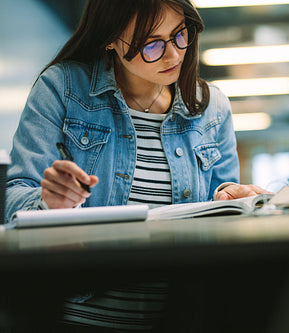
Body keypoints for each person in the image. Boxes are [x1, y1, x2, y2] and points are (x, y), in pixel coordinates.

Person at [5, 0, 268, 330]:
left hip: (181, 314)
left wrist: (231, 197)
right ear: (110, 39)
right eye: (151, 44)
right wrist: (48, 203)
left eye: (179, 35)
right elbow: (14, 199)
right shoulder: (63, 89)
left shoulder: (211, 107)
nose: (173, 55)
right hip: (80, 316)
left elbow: (224, 213)